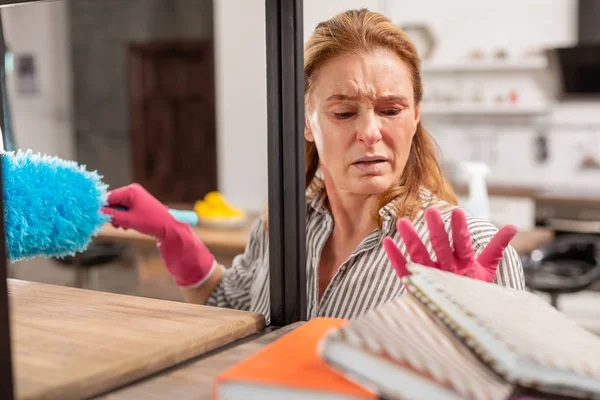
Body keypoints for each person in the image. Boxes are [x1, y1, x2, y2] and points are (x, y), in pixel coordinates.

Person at [102, 9, 524, 324]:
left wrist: (479, 332)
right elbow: (230, 308)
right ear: (306, 122)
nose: (371, 132)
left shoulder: (471, 250)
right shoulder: (284, 225)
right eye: (343, 113)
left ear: (415, 116)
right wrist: (174, 236)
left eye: (391, 109)